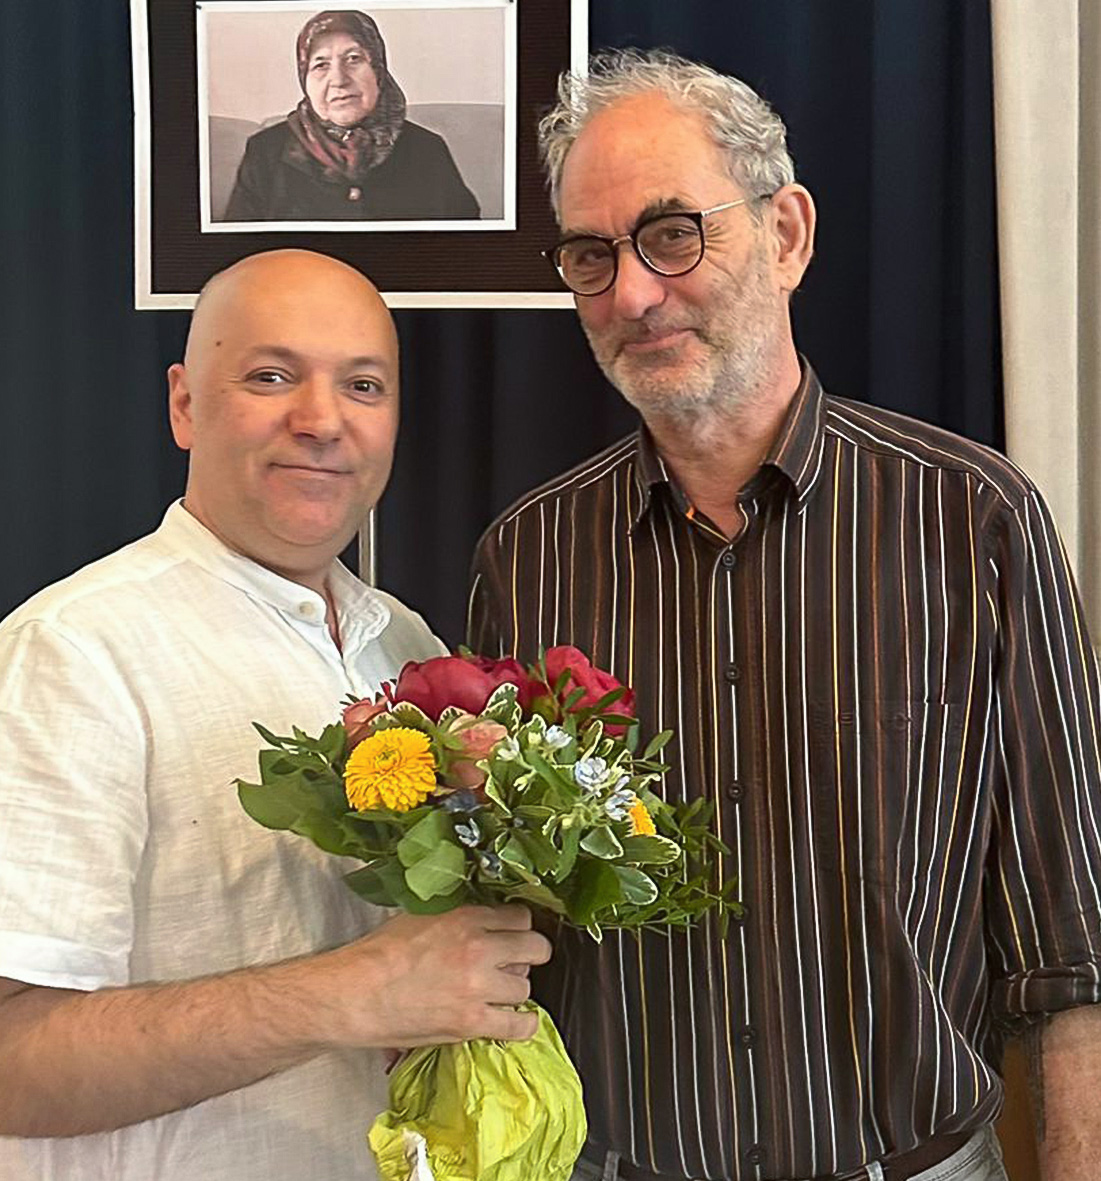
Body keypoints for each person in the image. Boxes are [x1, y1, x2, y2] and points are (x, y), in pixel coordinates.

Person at [467, 49, 1101, 1181]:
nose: (631, 295)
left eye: (672, 234)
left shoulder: (974, 521)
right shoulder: (526, 561)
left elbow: (1070, 947)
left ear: (786, 233)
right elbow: (504, 928)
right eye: (590, 255)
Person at [0, 249, 550, 1181]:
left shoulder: (405, 645)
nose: (322, 419)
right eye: (270, 376)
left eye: (363, 385)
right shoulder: (71, 653)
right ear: (184, 404)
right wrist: (354, 990)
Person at [223, 10, 480, 222]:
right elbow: (241, 250)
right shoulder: (265, 152)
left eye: (354, 59)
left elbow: (464, 245)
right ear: (304, 78)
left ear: (378, 70)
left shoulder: (428, 150)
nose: (339, 79)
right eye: (320, 65)